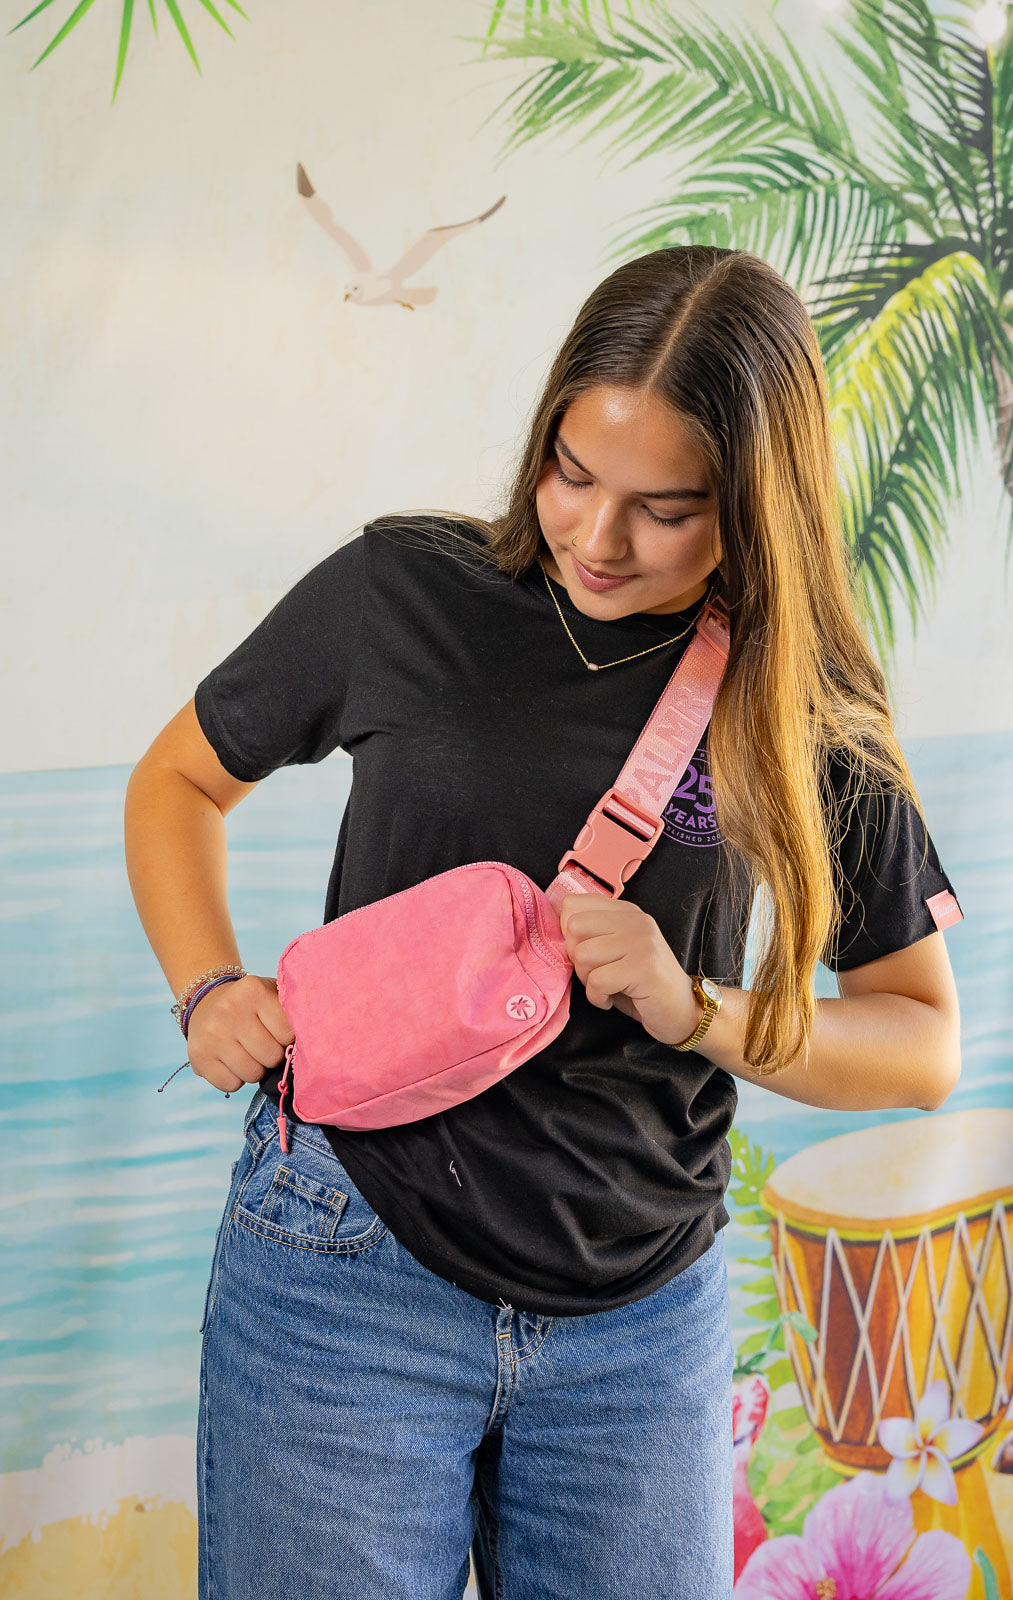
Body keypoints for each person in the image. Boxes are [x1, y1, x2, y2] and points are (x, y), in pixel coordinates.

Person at [124, 245, 965, 1600]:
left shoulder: (802, 700)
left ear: (755, 505)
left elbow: (921, 1042)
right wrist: (207, 986)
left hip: (643, 1328)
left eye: (666, 508)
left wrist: (702, 1009)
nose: (595, 537)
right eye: (572, 473)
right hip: (350, 1269)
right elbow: (176, 783)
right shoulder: (403, 591)